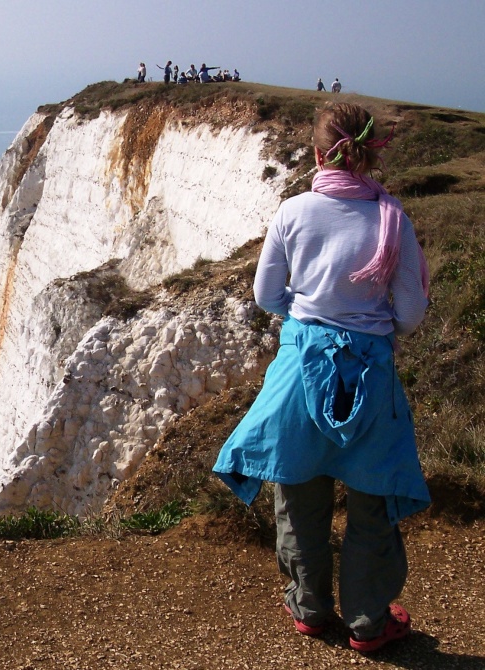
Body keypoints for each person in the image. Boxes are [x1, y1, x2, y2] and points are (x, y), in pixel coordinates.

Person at [213, 102, 431, 654]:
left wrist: (307, 315)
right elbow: (409, 314)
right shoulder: (392, 220)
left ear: (316, 153)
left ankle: (309, 609)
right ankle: (368, 623)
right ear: (372, 151)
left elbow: (266, 297)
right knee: (372, 497)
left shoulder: (292, 212)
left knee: (299, 494)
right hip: (370, 377)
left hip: (299, 372)